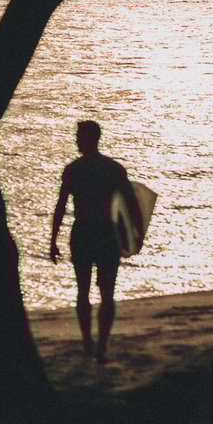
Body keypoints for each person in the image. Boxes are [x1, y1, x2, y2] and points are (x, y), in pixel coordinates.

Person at [49, 120, 143, 363]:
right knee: (106, 292)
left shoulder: (73, 170)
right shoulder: (114, 169)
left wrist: (53, 239)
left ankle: (89, 343)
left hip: (84, 233)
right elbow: (131, 205)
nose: (76, 140)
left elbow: (61, 206)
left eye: (79, 136)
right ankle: (99, 345)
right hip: (106, 234)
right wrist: (133, 235)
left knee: (84, 291)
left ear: (89, 138)